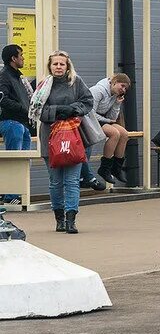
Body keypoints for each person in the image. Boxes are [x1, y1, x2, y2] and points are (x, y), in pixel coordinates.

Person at [33, 51, 94, 234]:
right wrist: (58, 110)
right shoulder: (43, 85)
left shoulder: (76, 82)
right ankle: (59, 218)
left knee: (72, 181)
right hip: (50, 139)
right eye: (55, 64)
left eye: (62, 64)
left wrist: (73, 109)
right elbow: (37, 111)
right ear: (49, 66)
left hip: (73, 138)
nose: (58, 67)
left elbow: (88, 101)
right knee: (55, 182)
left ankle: (70, 219)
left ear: (68, 66)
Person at [0, 44, 34, 203]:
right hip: (10, 123)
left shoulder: (17, 76)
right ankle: (10, 196)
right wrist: (22, 109)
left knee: (23, 160)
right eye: (21, 55)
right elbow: (2, 99)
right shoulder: (4, 76)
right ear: (13, 58)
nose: (23, 58)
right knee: (14, 159)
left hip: (22, 124)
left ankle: (17, 194)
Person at [88, 73, 132, 186]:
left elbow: (112, 117)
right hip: (90, 118)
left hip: (102, 119)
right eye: (122, 86)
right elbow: (90, 112)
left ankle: (117, 167)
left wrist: (117, 103)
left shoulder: (114, 95)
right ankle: (105, 168)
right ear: (114, 82)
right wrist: (107, 121)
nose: (123, 90)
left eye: (125, 88)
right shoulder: (98, 90)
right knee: (114, 133)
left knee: (124, 133)